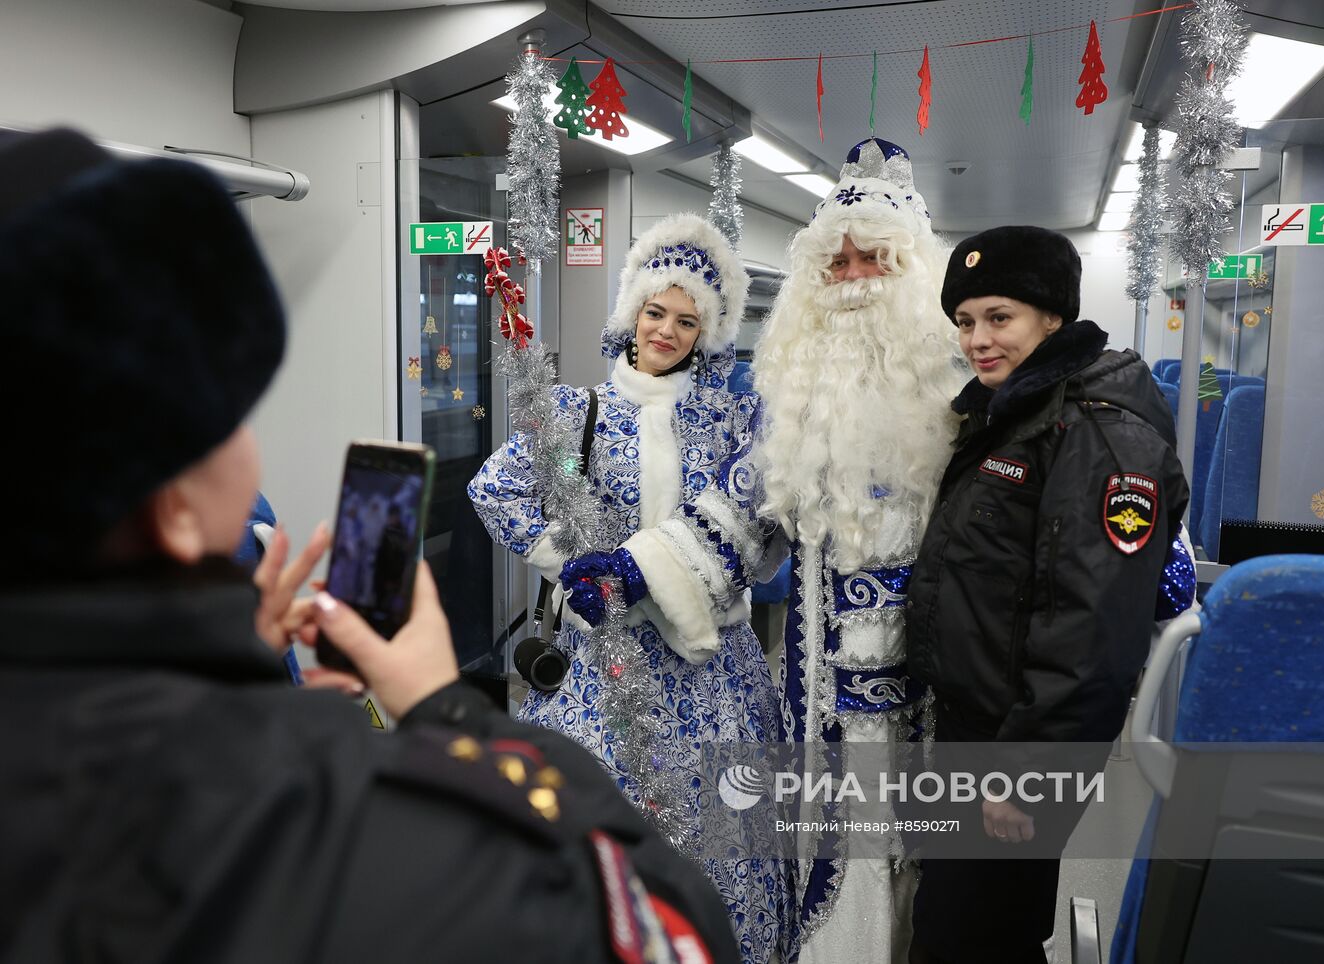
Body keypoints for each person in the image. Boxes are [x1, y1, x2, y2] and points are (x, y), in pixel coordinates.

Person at [0, 128, 739, 964]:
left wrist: (224, 677)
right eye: (226, 426)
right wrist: (443, 706)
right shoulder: (350, 825)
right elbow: (670, 932)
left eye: (687, 321)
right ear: (172, 511)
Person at [560, 138, 967, 962]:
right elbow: (739, 516)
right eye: (838, 264)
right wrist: (638, 566)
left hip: (938, 693)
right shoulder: (797, 405)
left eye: (872, 262)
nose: (852, 281)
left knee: (934, 872)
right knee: (830, 872)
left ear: (912, 273)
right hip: (821, 697)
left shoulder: (963, 390)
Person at [469, 213, 790, 963]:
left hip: (713, 674)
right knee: (601, 834)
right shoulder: (575, 412)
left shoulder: (730, 421)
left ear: (707, 333)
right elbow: (494, 489)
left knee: (723, 840)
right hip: (599, 663)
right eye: (655, 312)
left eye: (687, 321)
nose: (666, 332)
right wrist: (561, 560)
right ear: (630, 314)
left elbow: (763, 531)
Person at [904, 226, 1190, 964]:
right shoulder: (1020, 412)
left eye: (1000, 318)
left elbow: (1093, 625)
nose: (977, 340)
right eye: (965, 322)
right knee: (975, 926)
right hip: (982, 728)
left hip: (1017, 745)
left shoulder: (1097, 431)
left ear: (1053, 318)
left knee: (967, 935)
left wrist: (1029, 774)